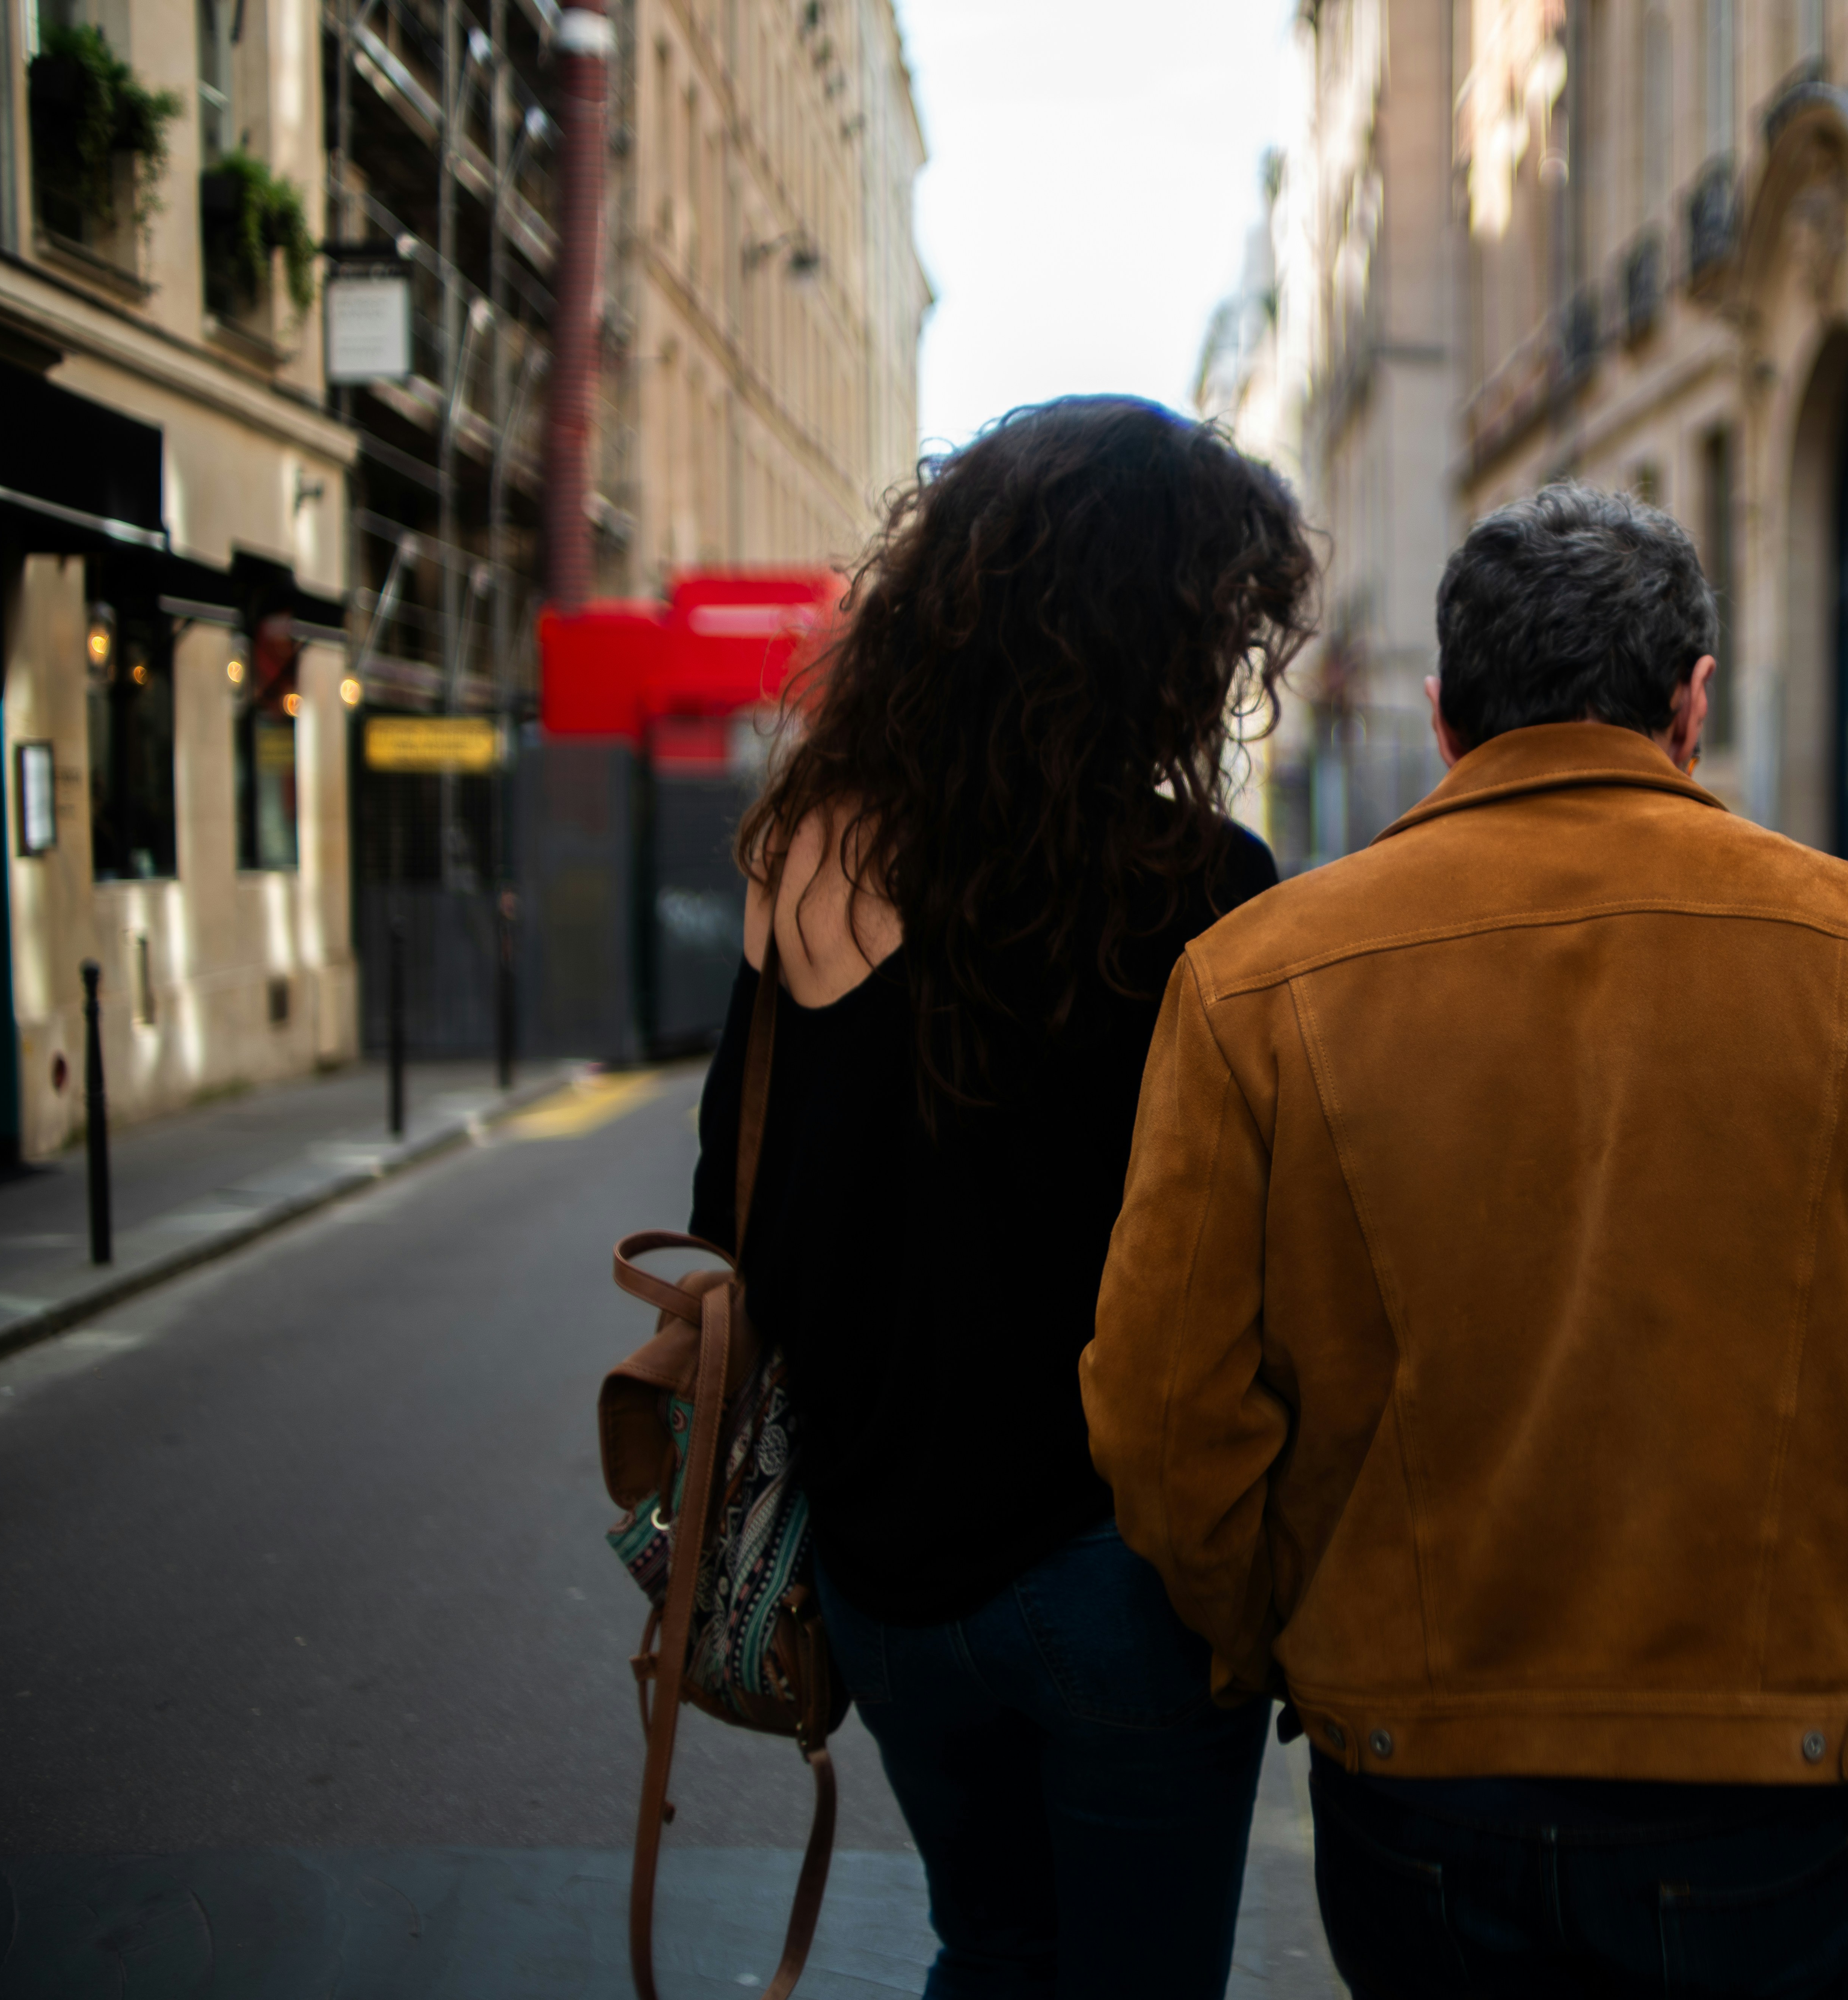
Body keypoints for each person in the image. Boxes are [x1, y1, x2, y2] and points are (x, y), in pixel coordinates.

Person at [1084, 483, 1848, 1998]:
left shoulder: (1252, 982)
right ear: (1689, 708)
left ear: (1445, 720)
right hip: (1761, 1780)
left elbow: (1162, 1424)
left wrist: (1301, 1635)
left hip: (1412, 1764)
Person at [689, 396, 1315, 1999]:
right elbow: (1273, 1267)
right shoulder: (1202, 891)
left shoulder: (806, 862)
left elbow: (736, 1210)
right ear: (1156, 644)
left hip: (882, 1580)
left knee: (993, 1949)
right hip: (1122, 1575)